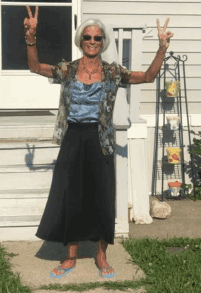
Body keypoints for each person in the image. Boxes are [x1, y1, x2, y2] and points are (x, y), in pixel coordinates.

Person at [24, 5, 173, 279]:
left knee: (101, 194)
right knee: (70, 194)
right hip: (73, 137)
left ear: (103, 42)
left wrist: (162, 47)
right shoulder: (67, 70)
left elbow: (148, 77)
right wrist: (31, 37)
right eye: (87, 37)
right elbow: (35, 67)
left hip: (101, 139)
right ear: (80, 40)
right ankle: (70, 256)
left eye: (97, 38)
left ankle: (100, 254)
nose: (92, 41)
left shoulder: (113, 72)